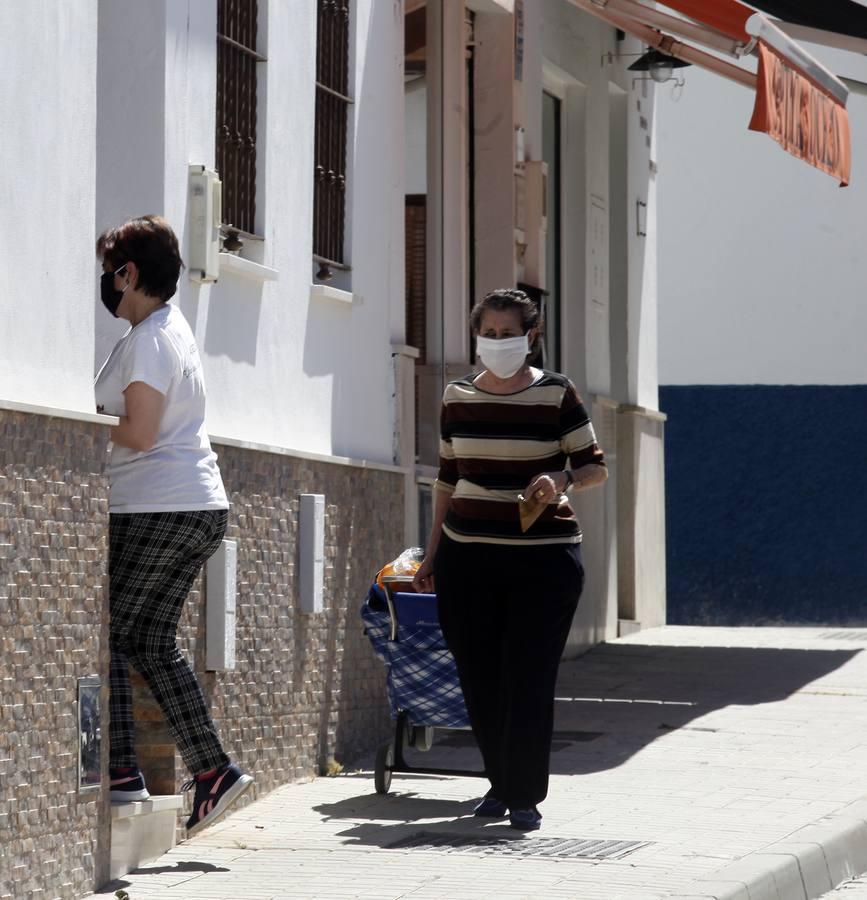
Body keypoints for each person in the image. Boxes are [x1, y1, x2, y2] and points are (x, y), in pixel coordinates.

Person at [412, 288, 607, 831]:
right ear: (477, 338)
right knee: (479, 676)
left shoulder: (556, 393)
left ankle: (524, 795)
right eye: (489, 335)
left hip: (544, 561)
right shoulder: (456, 396)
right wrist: (431, 554)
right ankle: (500, 782)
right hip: (467, 559)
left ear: (531, 337)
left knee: (528, 674)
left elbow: (595, 467)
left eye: (508, 334)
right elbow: (447, 480)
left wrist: (561, 478)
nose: (497, 343)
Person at [94, 215, 252, 836]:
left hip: (161, 507)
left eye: (110, 269)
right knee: (147, 640)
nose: (105, 282)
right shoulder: (162, 330)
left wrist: (77, 424)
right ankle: (213, 773)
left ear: (129, 273)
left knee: (111, 633)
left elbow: (138, 431)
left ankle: (121, 772)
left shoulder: (154, 337)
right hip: (186, 506)